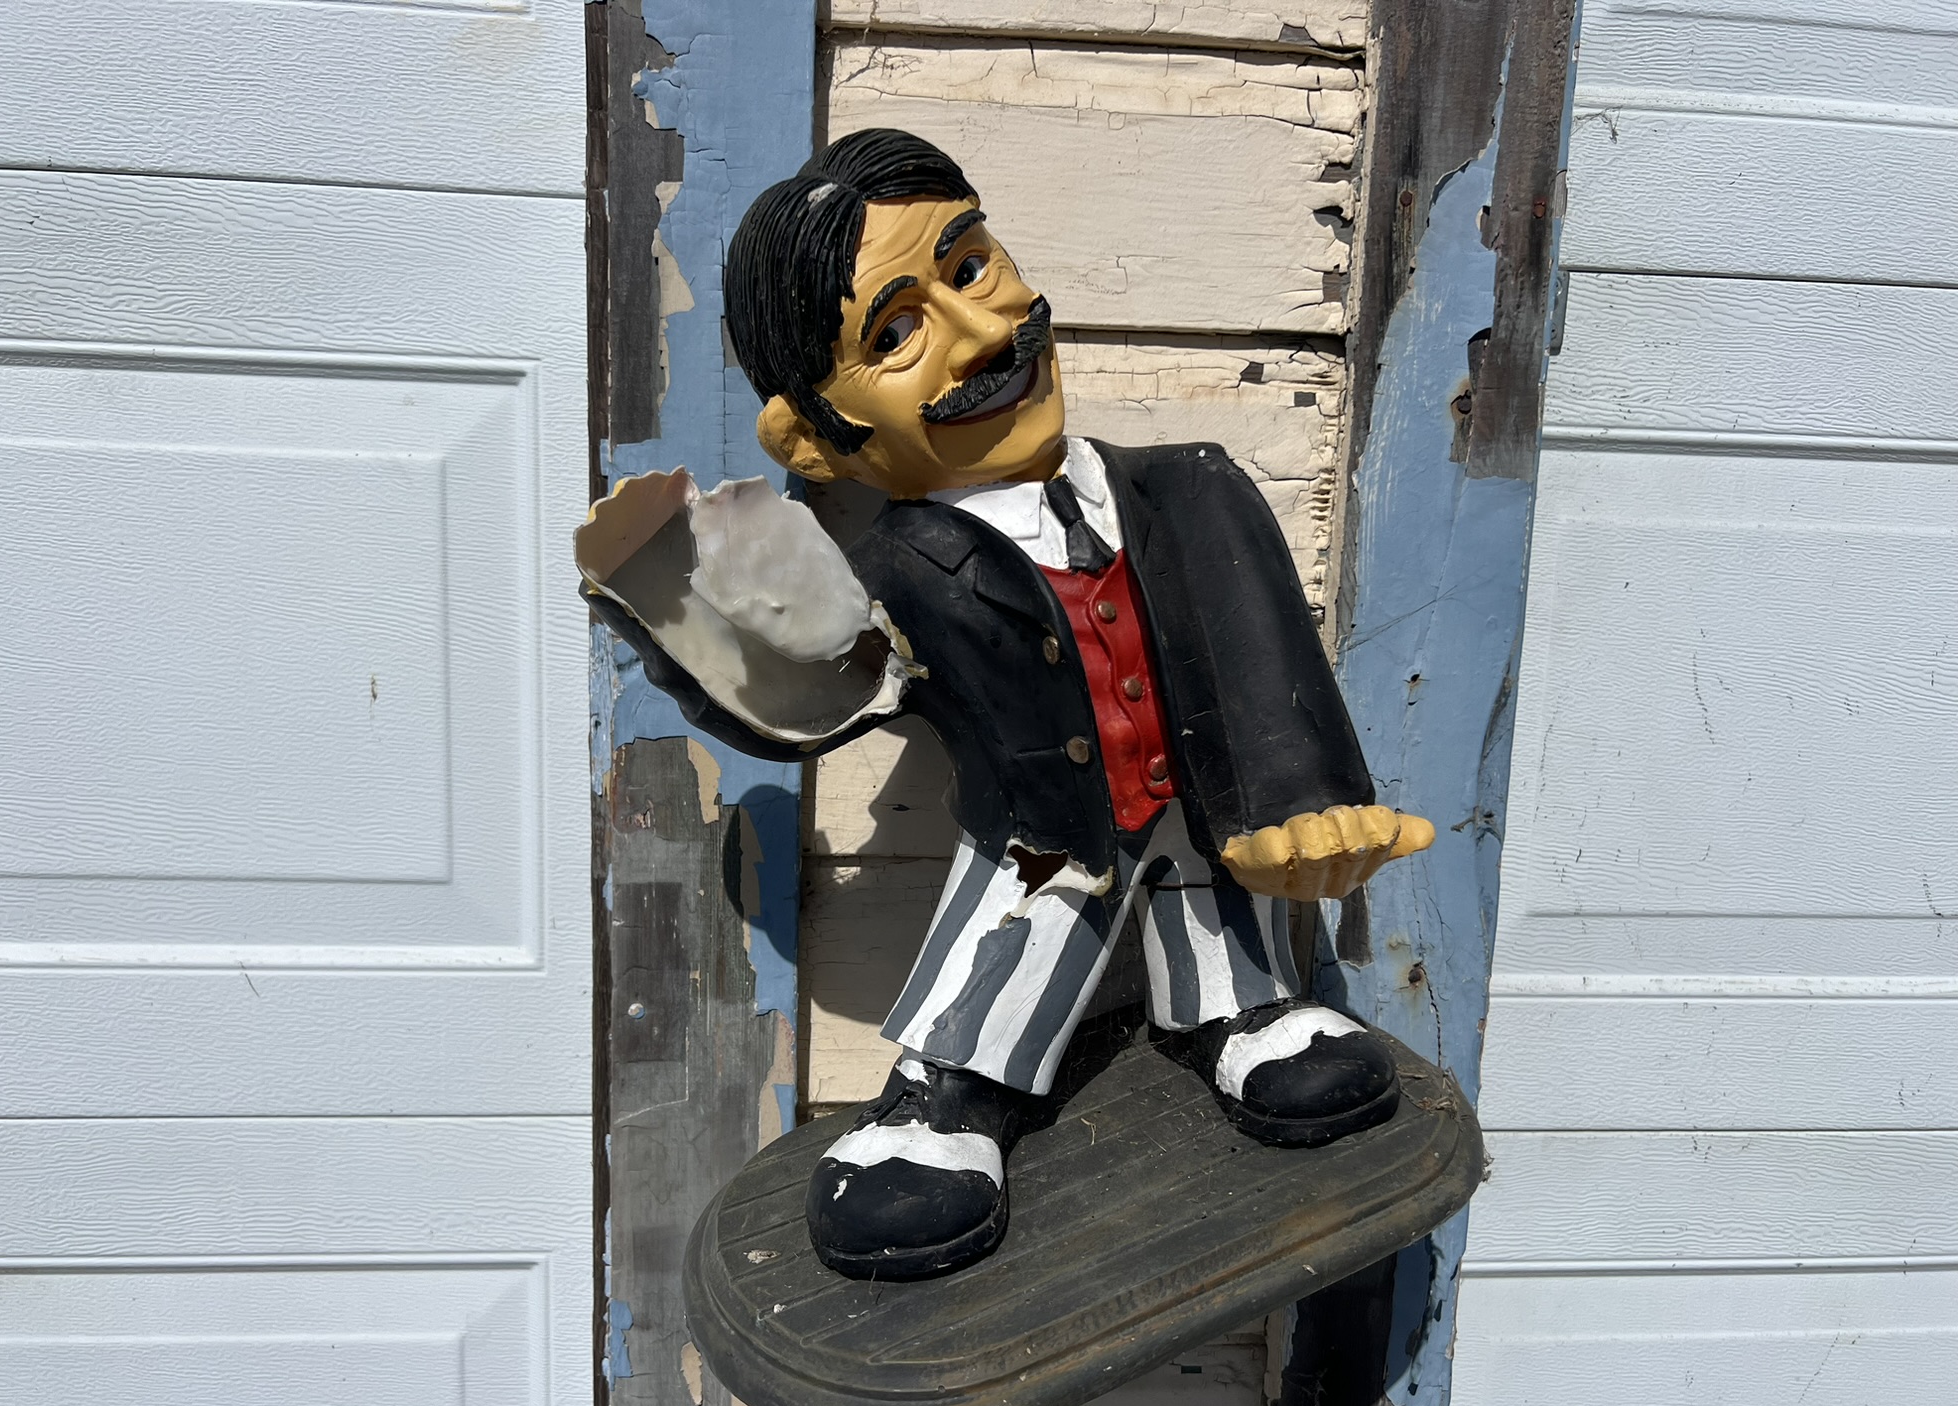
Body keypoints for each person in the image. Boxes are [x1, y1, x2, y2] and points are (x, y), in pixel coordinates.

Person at [578, 129, 1434, 1280]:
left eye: (969, 265)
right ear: (813, 437)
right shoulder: (903, 567)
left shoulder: (1189, 489)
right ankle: (942, 1101)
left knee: (1213, 903)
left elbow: (1261, 651)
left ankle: (1238, 1011)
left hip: (1199, 812)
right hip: (1041, 834)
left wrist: (1300, 800)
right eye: (895, 334)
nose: (983, 333)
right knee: (1011, 937)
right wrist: (714, 628)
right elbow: (832, 687)